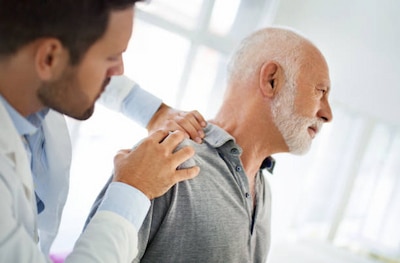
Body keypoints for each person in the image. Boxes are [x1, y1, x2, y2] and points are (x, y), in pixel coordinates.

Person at [87, 26, 333, 263]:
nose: (327, 114)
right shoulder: (166, 160)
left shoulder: (263, 190)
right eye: (320, 91)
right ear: (271, 80)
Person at [0, 1, 207, 262]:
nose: (119, 71)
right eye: (111, 57)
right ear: (49, 58)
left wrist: (153, 111)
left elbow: (75, 67)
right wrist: (134, 188)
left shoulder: (30, 74)